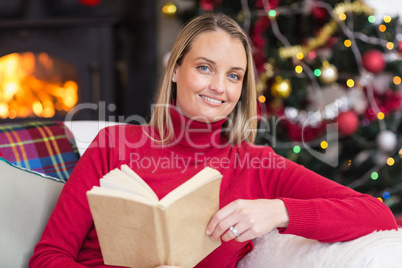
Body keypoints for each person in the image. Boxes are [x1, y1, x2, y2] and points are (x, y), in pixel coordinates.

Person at [30, 13, 397, 268]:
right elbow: (48, 257)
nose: (219, 88)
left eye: (234, 76)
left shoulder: (256, 164)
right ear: (175, 69)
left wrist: (280, 211)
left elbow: (377, 215)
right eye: (204, 67)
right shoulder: (114, 145)